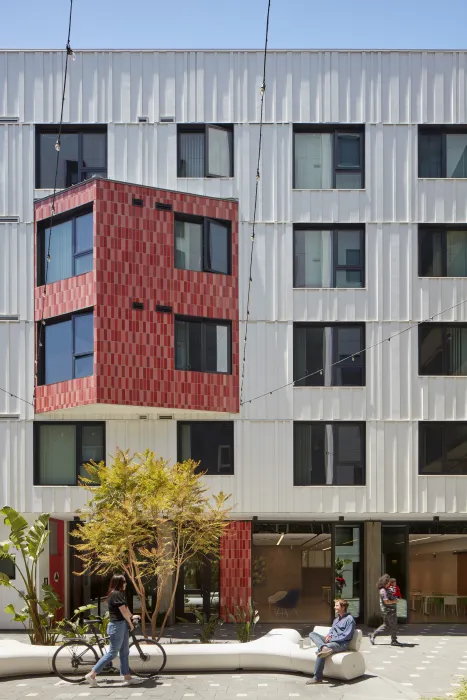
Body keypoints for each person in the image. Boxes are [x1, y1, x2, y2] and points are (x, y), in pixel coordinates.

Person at [85, 574, 143, 687]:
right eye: (124, 582)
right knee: (112, 653)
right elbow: (123, 611)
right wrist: (131, 623)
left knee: (125, 652)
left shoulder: (118, 594)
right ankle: (92, 674)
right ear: (119, 583)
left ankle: (127, 677)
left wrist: (132, 616)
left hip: (122, 625)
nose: (126, 583)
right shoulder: (116, 594)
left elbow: (126, 610)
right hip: (118, 626)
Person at [306, 599, 356, 685]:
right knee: (312, 634)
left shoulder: (350, 619)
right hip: (331, 641)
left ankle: (317, 678)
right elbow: (332, 631)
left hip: (341, 644)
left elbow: (346, 636)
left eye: (337, 605)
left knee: (321, 652)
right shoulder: (336, 620)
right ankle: (323, 647)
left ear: (343, 607)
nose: (334, 607)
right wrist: (329, 635)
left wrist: (332, 639)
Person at [369, 573, 402, 647]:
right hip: (389, 611)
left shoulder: (386, 589)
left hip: (389, 611)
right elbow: (386, 601)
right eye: (388, 583)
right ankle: (394, 640)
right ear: (385, 583)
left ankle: (373, 635)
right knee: (393, 626)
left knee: (386, 625)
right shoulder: (383, 591)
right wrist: (394, 601)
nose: (389, 584)